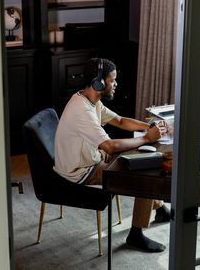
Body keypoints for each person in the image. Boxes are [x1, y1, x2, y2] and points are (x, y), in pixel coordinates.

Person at [54, 58, 171, 252]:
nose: (115, 84)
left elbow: (120, 121)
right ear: (98, 82)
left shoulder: (90, 100)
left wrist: (149, 127)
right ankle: (136, 235)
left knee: (142, 158)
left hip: (91, 157)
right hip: (82, 170)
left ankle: (159, 208)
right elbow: (109, 146)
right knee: (143, 176)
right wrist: (147, 138)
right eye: (112, 80)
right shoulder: (81, 110)